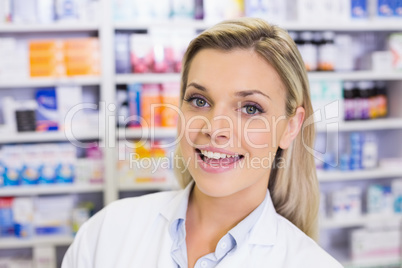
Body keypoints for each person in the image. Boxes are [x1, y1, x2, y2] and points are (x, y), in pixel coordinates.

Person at [62, 18, 343, 268]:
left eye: (250, 108)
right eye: (200, 101)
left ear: (291, 126)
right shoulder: (106, 232)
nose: (214, 128)